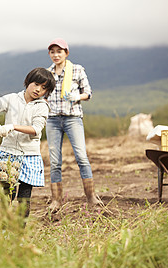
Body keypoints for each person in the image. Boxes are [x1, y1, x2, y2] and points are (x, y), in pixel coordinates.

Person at [0, 68, 55, 227]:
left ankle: (20, 231)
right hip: (8, 152)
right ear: (28, 82)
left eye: (43, 88)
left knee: (24, 196)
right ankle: (4, 228)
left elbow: (36, 129)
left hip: (29, 155)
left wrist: (13, 126)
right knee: (8, 193)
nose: (38, 90)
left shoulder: (42, 106)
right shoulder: (11, 99)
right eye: (36, 84)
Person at [45, 38, 103, 211]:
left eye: (59, 51)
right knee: (55, 161)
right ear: (49, 54)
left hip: (73, 118)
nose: (56, 55)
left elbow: (88, 93)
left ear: (66, 53)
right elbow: (42, 95)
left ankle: (91, 196)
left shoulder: (77, 70)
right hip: (53, 120)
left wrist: (77, 97)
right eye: (52, 52)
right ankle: (56, 200)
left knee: (81, 157)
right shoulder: (47, 73)